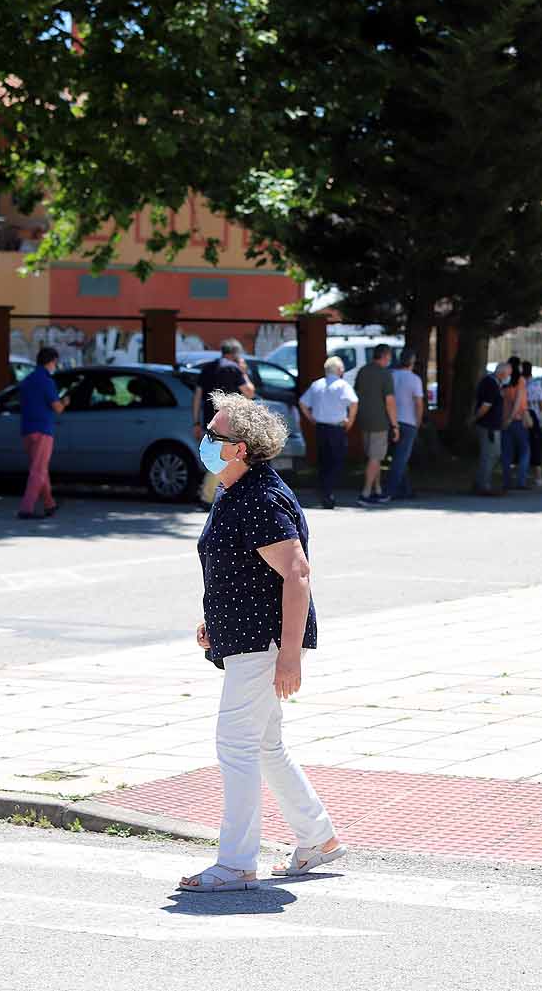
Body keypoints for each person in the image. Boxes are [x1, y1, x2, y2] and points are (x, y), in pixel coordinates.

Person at [179, 392, 346, 891]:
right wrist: (216, 621)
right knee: (267, 745)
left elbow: (296, 574)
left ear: (243, 447)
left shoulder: (258, 497)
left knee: (235, 746)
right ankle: (318, 837)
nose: (204, 439)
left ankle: (235, 863)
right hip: (245, 638)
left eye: (214, 435)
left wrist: (290, 655)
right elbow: (242, 570)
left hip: (261, 645)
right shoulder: (236, 489)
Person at [192, 340, 256, 506]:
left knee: (216, 458)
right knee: (225, 460)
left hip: (210, 422)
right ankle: (207, 497)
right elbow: (249, 392)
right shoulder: (233, 369)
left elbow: (197, 397)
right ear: (235, 354)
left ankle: (212, 495)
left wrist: (196, 422)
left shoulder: (207, 368)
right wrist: (244, 372)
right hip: (229, 423)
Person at [297, 356, 358, 510]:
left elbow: (303, 403)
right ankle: (327, 491)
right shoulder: (343, 385)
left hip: (321, 427)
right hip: (337, 427)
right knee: (336, 460)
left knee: (324, 460)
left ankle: (324, 490)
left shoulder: (317, 384)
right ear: (339, 370)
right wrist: (350, 421)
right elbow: (354, 402)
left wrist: (311, 418)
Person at [16, 346, 69, 519]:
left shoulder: (27, 380)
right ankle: (27, 507)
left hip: (27, 429)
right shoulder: (47, 381)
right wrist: (65, 401)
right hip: (43, 430)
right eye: (55, 363)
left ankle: (49, 504)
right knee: (38, 470)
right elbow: (57, 408)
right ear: (51, 361)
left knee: (40, 468)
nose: (56, 366)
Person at [354, 343, 398, 506]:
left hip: (364, 420)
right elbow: (390, 402)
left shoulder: (362, 371)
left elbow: (356, 394)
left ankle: (377, 490)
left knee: (374, 458)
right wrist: (395, 425)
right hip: (380, 422)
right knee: (375, 457)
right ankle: (365, 493)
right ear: (385, 356)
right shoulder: (385, 374)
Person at [386, 351, 425, 501]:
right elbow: (418, 403)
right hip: (409, 421)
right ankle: (391, 490)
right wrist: (418, 421)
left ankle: (405, 489)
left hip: (392, 420)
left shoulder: (390, 375)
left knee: (398, 456)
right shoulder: (414, 379)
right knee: (401, 459)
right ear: (412, 362)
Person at [472, 360, 512, 496]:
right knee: (489, 455)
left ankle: (481, 482)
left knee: (493, 454)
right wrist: (476, 417)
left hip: (492, 425)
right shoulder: (490, 383)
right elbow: (486, 405)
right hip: (488, 425)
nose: (508, 377)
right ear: (502, 373)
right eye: (508, 374)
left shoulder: (495, 383)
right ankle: (483, 485)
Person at [501, 358, 531, 490]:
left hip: (504, 419)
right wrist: (512, 417)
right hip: (518, 419)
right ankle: (521, 481)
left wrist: (506, 419)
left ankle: (506, 481)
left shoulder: (505, 381)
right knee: (525, 450)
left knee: (507, 452)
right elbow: (518, 402)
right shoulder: (521, 381)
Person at [525, 359, 542, 488]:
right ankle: (538, 477)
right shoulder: (535, 385)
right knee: (535, 447)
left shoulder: (517, 384)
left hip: (520, 418)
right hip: (533, 418)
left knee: (522, 446)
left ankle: (521, 474)